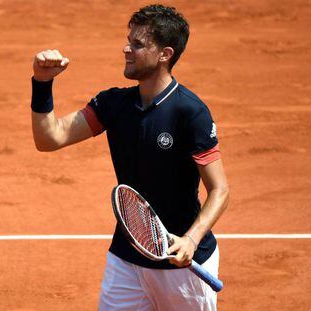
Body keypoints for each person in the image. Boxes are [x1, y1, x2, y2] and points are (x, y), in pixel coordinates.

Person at [30, 4, 229, 310]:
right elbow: (50, 139)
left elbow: (219, 190)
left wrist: (190, 239)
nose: (127, 48)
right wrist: (42, 83)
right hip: (127, 257)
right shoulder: (113, 104)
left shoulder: (190, 113)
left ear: (165, 54)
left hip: (182, 265)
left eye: (138, 44)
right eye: (128, 40)